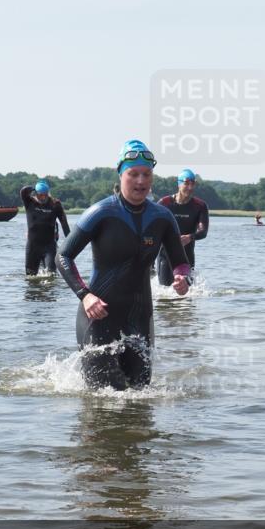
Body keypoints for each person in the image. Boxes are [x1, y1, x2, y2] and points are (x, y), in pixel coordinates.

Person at [56, 140, 190, 390]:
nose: (141, 181)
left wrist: (184, 279)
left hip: (140, 318)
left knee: (141, 393)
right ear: (120, 174)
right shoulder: (101, 212)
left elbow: (181, 263)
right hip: (98, 317)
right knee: (104, 397)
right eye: (133, 174)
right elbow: (63, 256)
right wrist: (85, 296)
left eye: (146, 174)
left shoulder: (162, 218)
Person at [155, 168, 209, 286]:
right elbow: (152, 229)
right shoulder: (164, 203)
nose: (190, 188)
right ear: (179, 184)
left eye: (192, 184)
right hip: (165, 255)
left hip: (187, 257)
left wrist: (190, 237)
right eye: (186, 183)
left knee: (187, 294)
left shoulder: (199, 206)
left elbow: (203, 231)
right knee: (164, 293)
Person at [20, 179, 70, 275]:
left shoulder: (55, 205)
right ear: (36, 193)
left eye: (45, 194)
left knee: (51, 274)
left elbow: (64, 224)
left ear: (48, 193)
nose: (43, 197)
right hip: (32, 247)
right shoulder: (29, 202)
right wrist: (33, 188)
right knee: (30, 275)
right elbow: (23, 191)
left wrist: (71, 243)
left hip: (49, 247)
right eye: (40, 195)